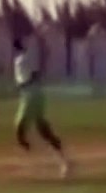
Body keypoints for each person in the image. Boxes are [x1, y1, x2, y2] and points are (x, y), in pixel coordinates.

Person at [12, 38, 72, 178]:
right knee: (43, 129)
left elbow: (30, 77)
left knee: (20, 127)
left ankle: (27, 147)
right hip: (36, 93)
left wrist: (23, 84)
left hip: (30, 95)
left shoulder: (20, 60)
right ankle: (64, 161)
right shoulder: (28, 58)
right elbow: (35, 73)